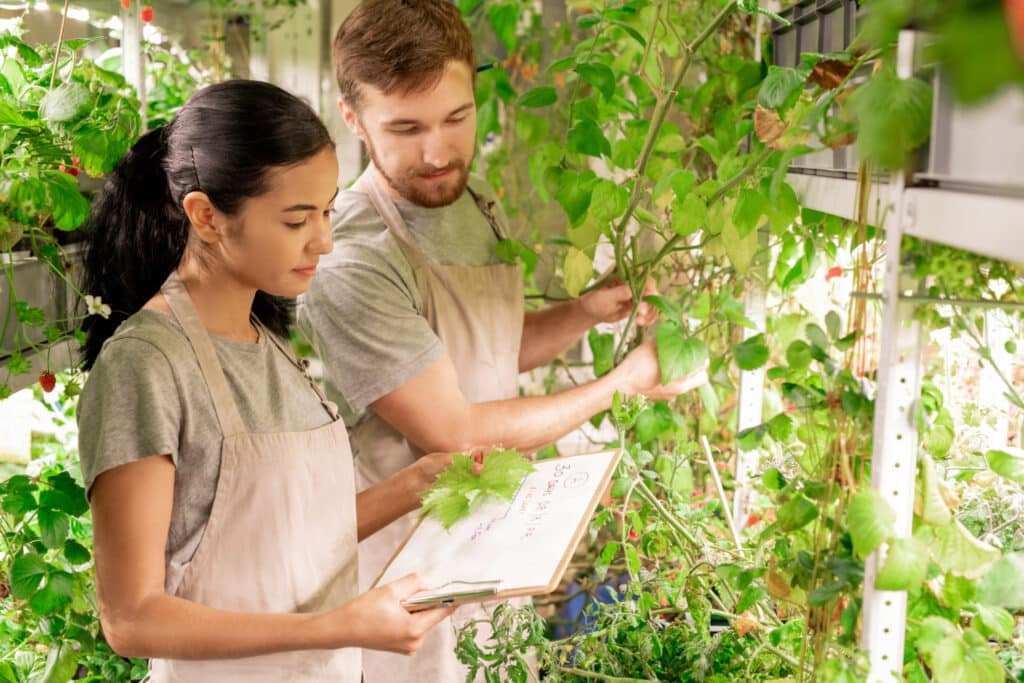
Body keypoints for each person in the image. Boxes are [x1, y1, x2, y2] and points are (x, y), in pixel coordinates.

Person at [297, 2, 708, 680]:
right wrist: (618, 385)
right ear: (353, 118)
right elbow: (452, 429)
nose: (437, 152)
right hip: (407, 567)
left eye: (456, 118)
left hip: (493, 535)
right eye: (406, 128)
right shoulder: (353, 256)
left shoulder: (472, 201)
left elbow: (484, 352)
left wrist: (582, 312)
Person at [76, 80, 455, 683]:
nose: (324, 241)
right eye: (297, 219)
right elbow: (131, 619)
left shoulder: (267, 340)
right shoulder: (146, 366)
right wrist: (345, 625)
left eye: (327, 211)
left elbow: (294, 541)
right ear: (205, 216)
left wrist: (420, 481)